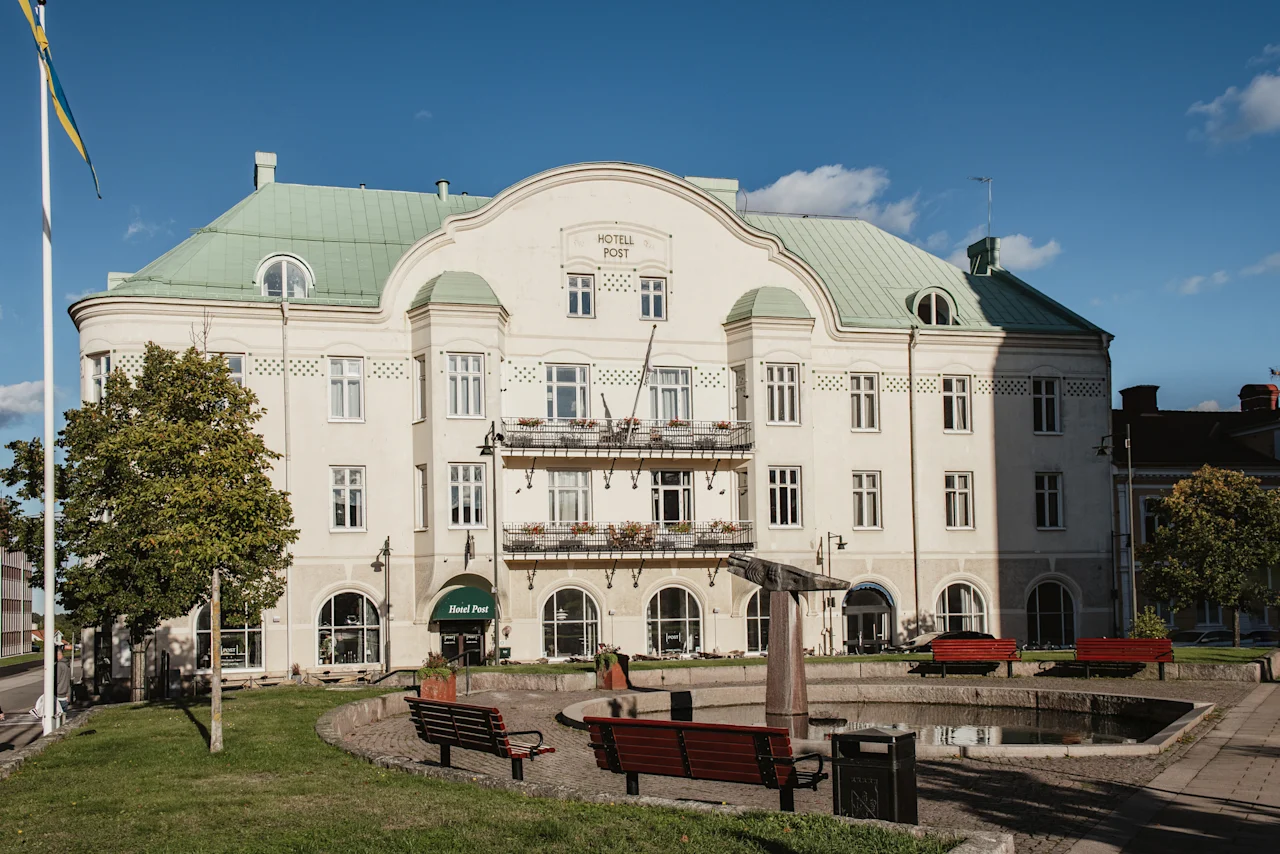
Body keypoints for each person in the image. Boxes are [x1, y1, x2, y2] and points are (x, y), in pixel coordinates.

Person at [55, 648, 71, 719]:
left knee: (57, 717)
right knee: (63, 717)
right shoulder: (66, 664)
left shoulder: (59, 665)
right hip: (66, 694)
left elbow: (57, 680)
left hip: (58, 694)